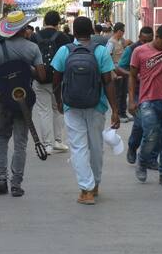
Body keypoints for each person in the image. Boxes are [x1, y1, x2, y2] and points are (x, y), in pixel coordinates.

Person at [51, 16, 120, 206]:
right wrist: (115, 110)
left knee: (79, 147)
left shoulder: (64, 51)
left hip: (71, 106)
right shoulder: (100, 51)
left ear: (74, 32)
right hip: (97, 105)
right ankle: (95, 184)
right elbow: (108, 81)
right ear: (91, 31)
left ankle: (86, 190)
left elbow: (56, 79)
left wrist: (59, 101)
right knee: (96, 145)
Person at [0, 11, 46, 198]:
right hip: (25, 100)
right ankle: (16, 183)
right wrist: (27, 69)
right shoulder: (33, 48)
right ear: (23, 28)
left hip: (4, 100)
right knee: (20, 141)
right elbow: (41, 76)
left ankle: (2, 178)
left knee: (2, 138)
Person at [128, 23, 162, 187]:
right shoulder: (139, 51)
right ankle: (142, 161)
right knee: (151, 136)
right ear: (156, 37)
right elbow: (132, 76)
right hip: (148, 100)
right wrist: (131, 100)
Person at [32, 12, 72, 154]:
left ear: (44, 22)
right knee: (58, 109)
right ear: (58, 23)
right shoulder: (63, 37)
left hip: (39, 78)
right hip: (58, 80)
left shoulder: (34, 36)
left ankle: (47, 144)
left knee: (44, 111)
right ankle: (58, 141)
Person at [118, 26, 156, 168]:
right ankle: (133, 147)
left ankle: (151, 158)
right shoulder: (132, 49)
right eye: (143, 40)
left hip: (155, 92)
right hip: (138, 91)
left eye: (149, 40)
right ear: (139, 38)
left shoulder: (158, 49)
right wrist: (133, 75)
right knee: (140, 124)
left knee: (155, 126)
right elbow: (119, 68)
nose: (146, 43)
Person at [108, 23, 129, 118]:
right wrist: (112, 72)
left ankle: (123, 113)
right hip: (116, 71)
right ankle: (118, 113)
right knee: (118, 94)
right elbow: (107, 58)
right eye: (123, 31)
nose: (124, 33)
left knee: (124, 93)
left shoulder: (122, 40)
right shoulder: (111, 43)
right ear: (119, 31)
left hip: (124, 70)